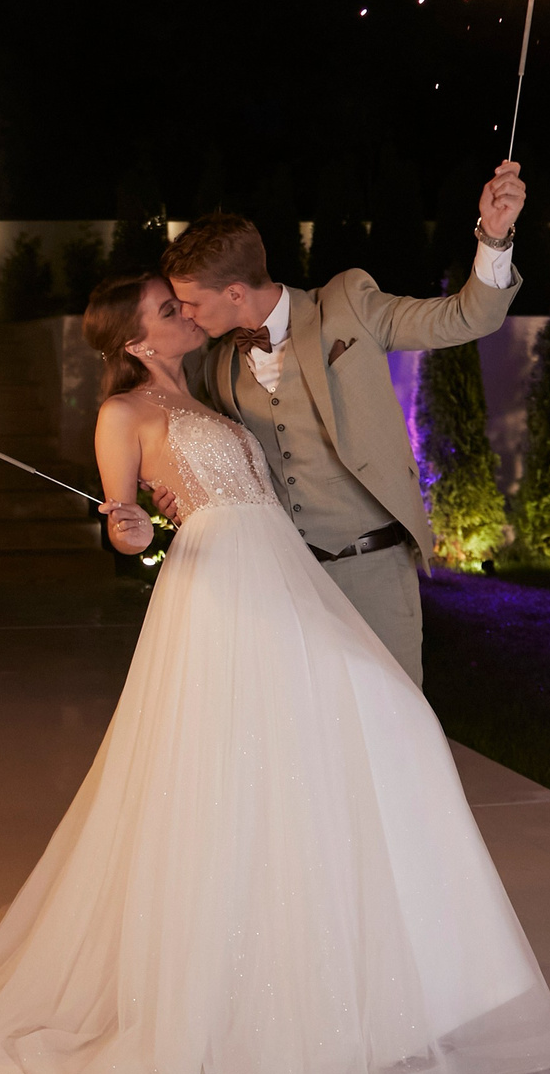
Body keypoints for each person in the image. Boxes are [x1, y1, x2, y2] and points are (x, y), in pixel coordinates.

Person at [0, 272, 550, 1074]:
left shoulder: (211, 384)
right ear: (137, 340)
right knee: (237, 773)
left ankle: (393, 990)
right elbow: (122, 512)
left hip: (283, 574)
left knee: (385, 723)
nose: (185, 316)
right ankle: (245, 1007)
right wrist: (127, 527)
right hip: (221, 585)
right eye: (167, 311)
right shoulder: (125, 412)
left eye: (182, 304)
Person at [159, 161, 528, 686]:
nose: (188, 314)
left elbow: (467, 318)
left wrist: (493, 236)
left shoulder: (349, 304)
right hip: (285, 579)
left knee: (396, 728)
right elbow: (209, 456)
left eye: (193, 302)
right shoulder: (217, 366)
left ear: (236, 292)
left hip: (373, 567)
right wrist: (180, 496)